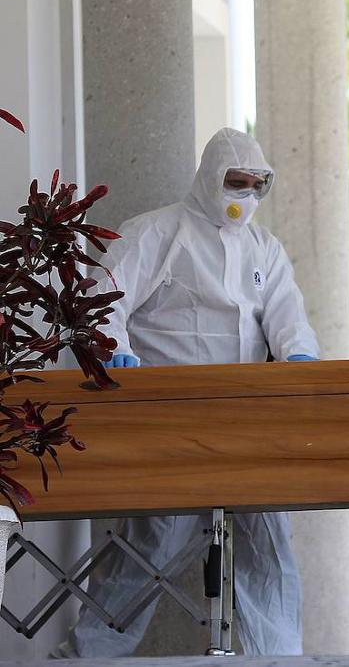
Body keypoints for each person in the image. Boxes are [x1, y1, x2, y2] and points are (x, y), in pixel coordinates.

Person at [55, 128, 319, 657]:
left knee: (269, 543)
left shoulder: (265, 249)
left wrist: (300, 361)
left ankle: (279, 657)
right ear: (208, 177)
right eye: (234, 181)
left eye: (254, 185)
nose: (243, 195)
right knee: (149, 547)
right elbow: (105, 300)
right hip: (169, 419)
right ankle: (87, 658)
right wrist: (115, 351)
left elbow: (288, 318)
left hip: (247, 420)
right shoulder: (157, 232)